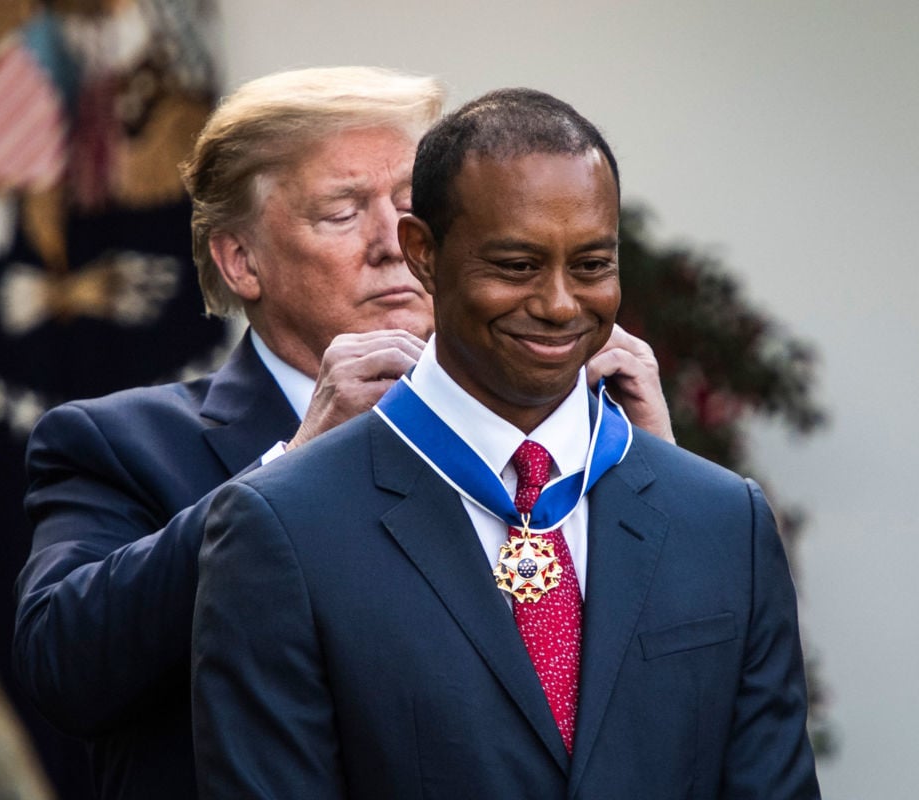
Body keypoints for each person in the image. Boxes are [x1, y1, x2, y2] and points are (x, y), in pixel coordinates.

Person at [14, 68, 674, 799]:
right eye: (341, 212)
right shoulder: (122, 444)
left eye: (412, 210)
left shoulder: (574, 435)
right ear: (242, 261)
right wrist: (292, 467)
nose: (394, 244)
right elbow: (63, 667)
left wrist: (661, 487)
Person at [192, 88, 819, 798]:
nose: (558, 305)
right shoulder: (284, 529)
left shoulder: (722, 521)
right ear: (422, 253)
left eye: (590, 265)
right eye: (517, 266)